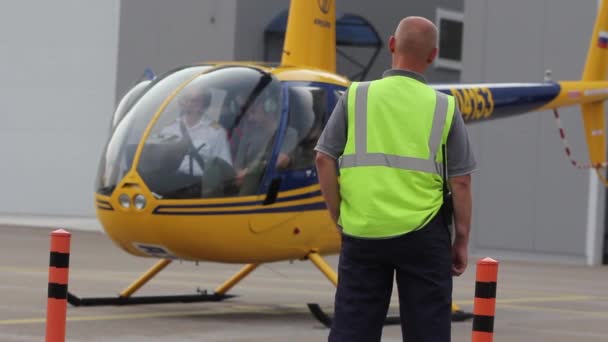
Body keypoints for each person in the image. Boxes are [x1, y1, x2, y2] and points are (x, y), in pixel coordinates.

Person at [315, 16, 477, 342]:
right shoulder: (444, 107)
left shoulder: (356, 96)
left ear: (392, 44)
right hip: (423, 235)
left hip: (363, 230)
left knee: (353, 329)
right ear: (432, 56)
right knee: (427, 330)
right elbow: (460, 183)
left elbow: (323, 158)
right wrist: (460, 240)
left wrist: (339, 215)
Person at [159, 86, 232, 176]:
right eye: (186, 99)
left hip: (198, 184)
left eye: (195, 100)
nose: (189, 103)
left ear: (204, 104)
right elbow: (160, 161)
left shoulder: (216, 132)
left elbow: (224, 167)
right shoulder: (169, 129)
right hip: (171, 182)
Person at [232, 90, 298, 189]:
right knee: (214, 163)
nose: (250, 118)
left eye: (253, 112)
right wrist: (239, 174)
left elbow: (280, 160)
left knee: (256, 172)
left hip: (267, 183)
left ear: (269, 107)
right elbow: (238, 162)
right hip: (243, 181)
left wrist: (247, 173)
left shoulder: (289, 133)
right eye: (248, 113)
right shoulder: (250, 132)